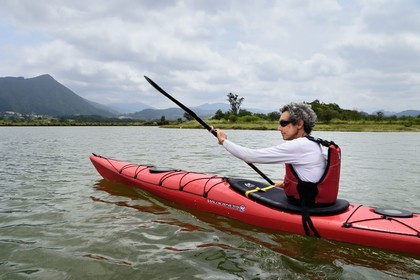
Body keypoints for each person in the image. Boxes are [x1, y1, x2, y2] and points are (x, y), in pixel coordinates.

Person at [215, 102, 341, 207]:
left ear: (299, 124)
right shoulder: (316, 144)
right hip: (320, 203)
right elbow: (312, 176)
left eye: (283, 123)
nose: (279, 128)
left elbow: (250, 156)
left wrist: (224, 141)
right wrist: (284, 185)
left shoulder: (299, 145)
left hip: (308, 207)